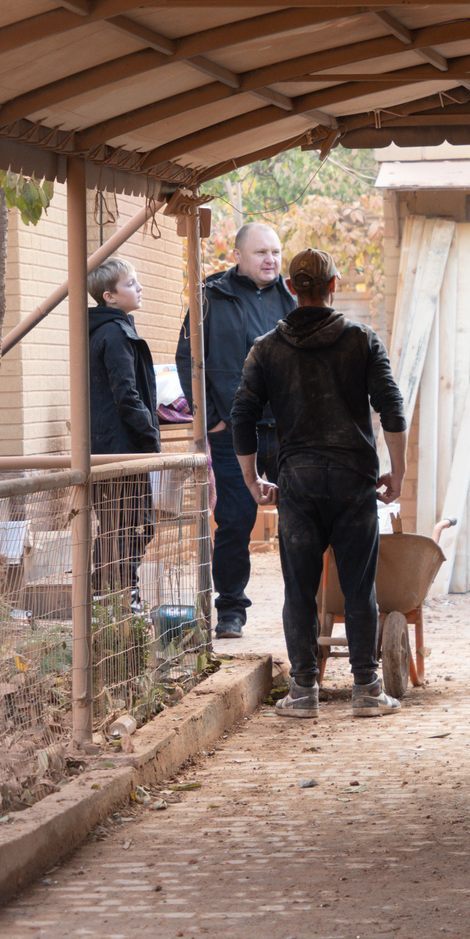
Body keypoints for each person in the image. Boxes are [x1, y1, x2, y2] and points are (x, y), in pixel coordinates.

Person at [231, 248, 408, 719]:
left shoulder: (266, 348)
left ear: (291, 289)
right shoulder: (361, 340)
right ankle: (367, 690)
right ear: (333, 287)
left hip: (298, 483)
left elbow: (241, 416)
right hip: (354, 480)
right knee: (358, 588)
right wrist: (399, 471)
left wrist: (252, 480)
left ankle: (304, 692)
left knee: (299, 589)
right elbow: (392, 407)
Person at [176, 222, 296, 639]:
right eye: (262, 252)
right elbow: (188, 358)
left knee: (301, 520)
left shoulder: (294, 298)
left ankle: (303, 604)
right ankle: (230, 610)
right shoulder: (211, 297)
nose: (271, 260)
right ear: (239, 256)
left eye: (276, 252)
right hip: (231, 433)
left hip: (287, 432)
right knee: (234, 521)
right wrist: (210, 419)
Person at [87, 256, 160, 608]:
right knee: (133, 524)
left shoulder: (111, 330)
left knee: (123, 525)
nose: (140, 287)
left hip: (113, 445)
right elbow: (126, 394)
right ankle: (117, 596)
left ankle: (112, 594)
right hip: (121, 448)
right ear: (109, 297)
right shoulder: (114, 333)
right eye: (131, 283)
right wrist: (150, 438)